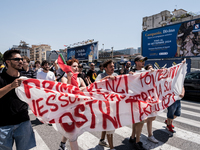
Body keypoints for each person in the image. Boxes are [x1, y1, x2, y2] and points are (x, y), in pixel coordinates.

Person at [0, 49, 36, 150]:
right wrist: (11, 86)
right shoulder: (1, 78)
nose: (21, 61)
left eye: (21, 59)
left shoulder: (26, 78)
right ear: (8, 61)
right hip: (3, 125)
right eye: (17, 59)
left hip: (23, 122)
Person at [58, 58, 86, 150]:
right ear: (69, 68)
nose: (77, 68)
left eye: (77, 66)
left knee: (70, 131)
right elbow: (68, 91)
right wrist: (70, 79)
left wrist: (79, 89)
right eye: (74, 66)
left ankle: (62, 144)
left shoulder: (79, 78)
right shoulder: (64, 78)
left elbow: (85, 88)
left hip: (78, 108)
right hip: (68, 109)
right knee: (72, 134)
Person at [95, 59, 118, 150]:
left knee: (107, 123)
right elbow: (95, 84)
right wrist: (107, 78)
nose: (113, 68)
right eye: (110, 67)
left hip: (114, 104)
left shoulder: (116, 75)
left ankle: (101, 140)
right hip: (105, 105)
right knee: (110, 125)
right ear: (105, 68)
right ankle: (112, 147)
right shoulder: (101, 75)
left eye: (113, 66)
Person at [129, 55, 148, 150]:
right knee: (140, 120)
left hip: (143, 99)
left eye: (144, 60)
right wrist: (130, 76)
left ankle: (132, 137)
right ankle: (137, 141)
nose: (143, 62)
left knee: (137, 120)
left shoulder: (145, 71)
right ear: (136, 62)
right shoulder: (132, 73)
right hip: (135, 100)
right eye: (141, 60)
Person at [144, 64, 159, 143]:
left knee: (153, 117)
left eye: (152, 67)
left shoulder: (154, 76)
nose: (151, 69)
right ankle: (150, 135)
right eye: (149, 68)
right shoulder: (145, 77)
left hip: (154, 98)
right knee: (150, 117)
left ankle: (140, 121)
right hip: (147, 98)